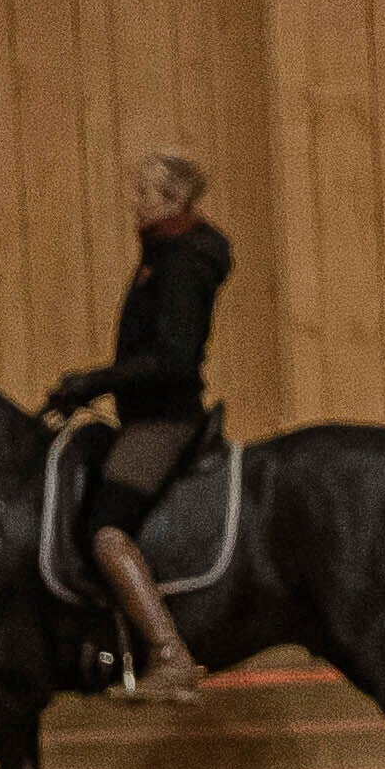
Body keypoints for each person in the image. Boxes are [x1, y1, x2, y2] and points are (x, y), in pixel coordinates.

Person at [44, 146, 237, 706]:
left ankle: (171, 654)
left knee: (107, 531)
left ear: (173, 200)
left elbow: (173, 358)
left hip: (163, 421)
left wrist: (94, 382)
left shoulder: (178, 262)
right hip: (145, 413)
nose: (136, 202)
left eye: (145, 193)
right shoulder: (163, 254)